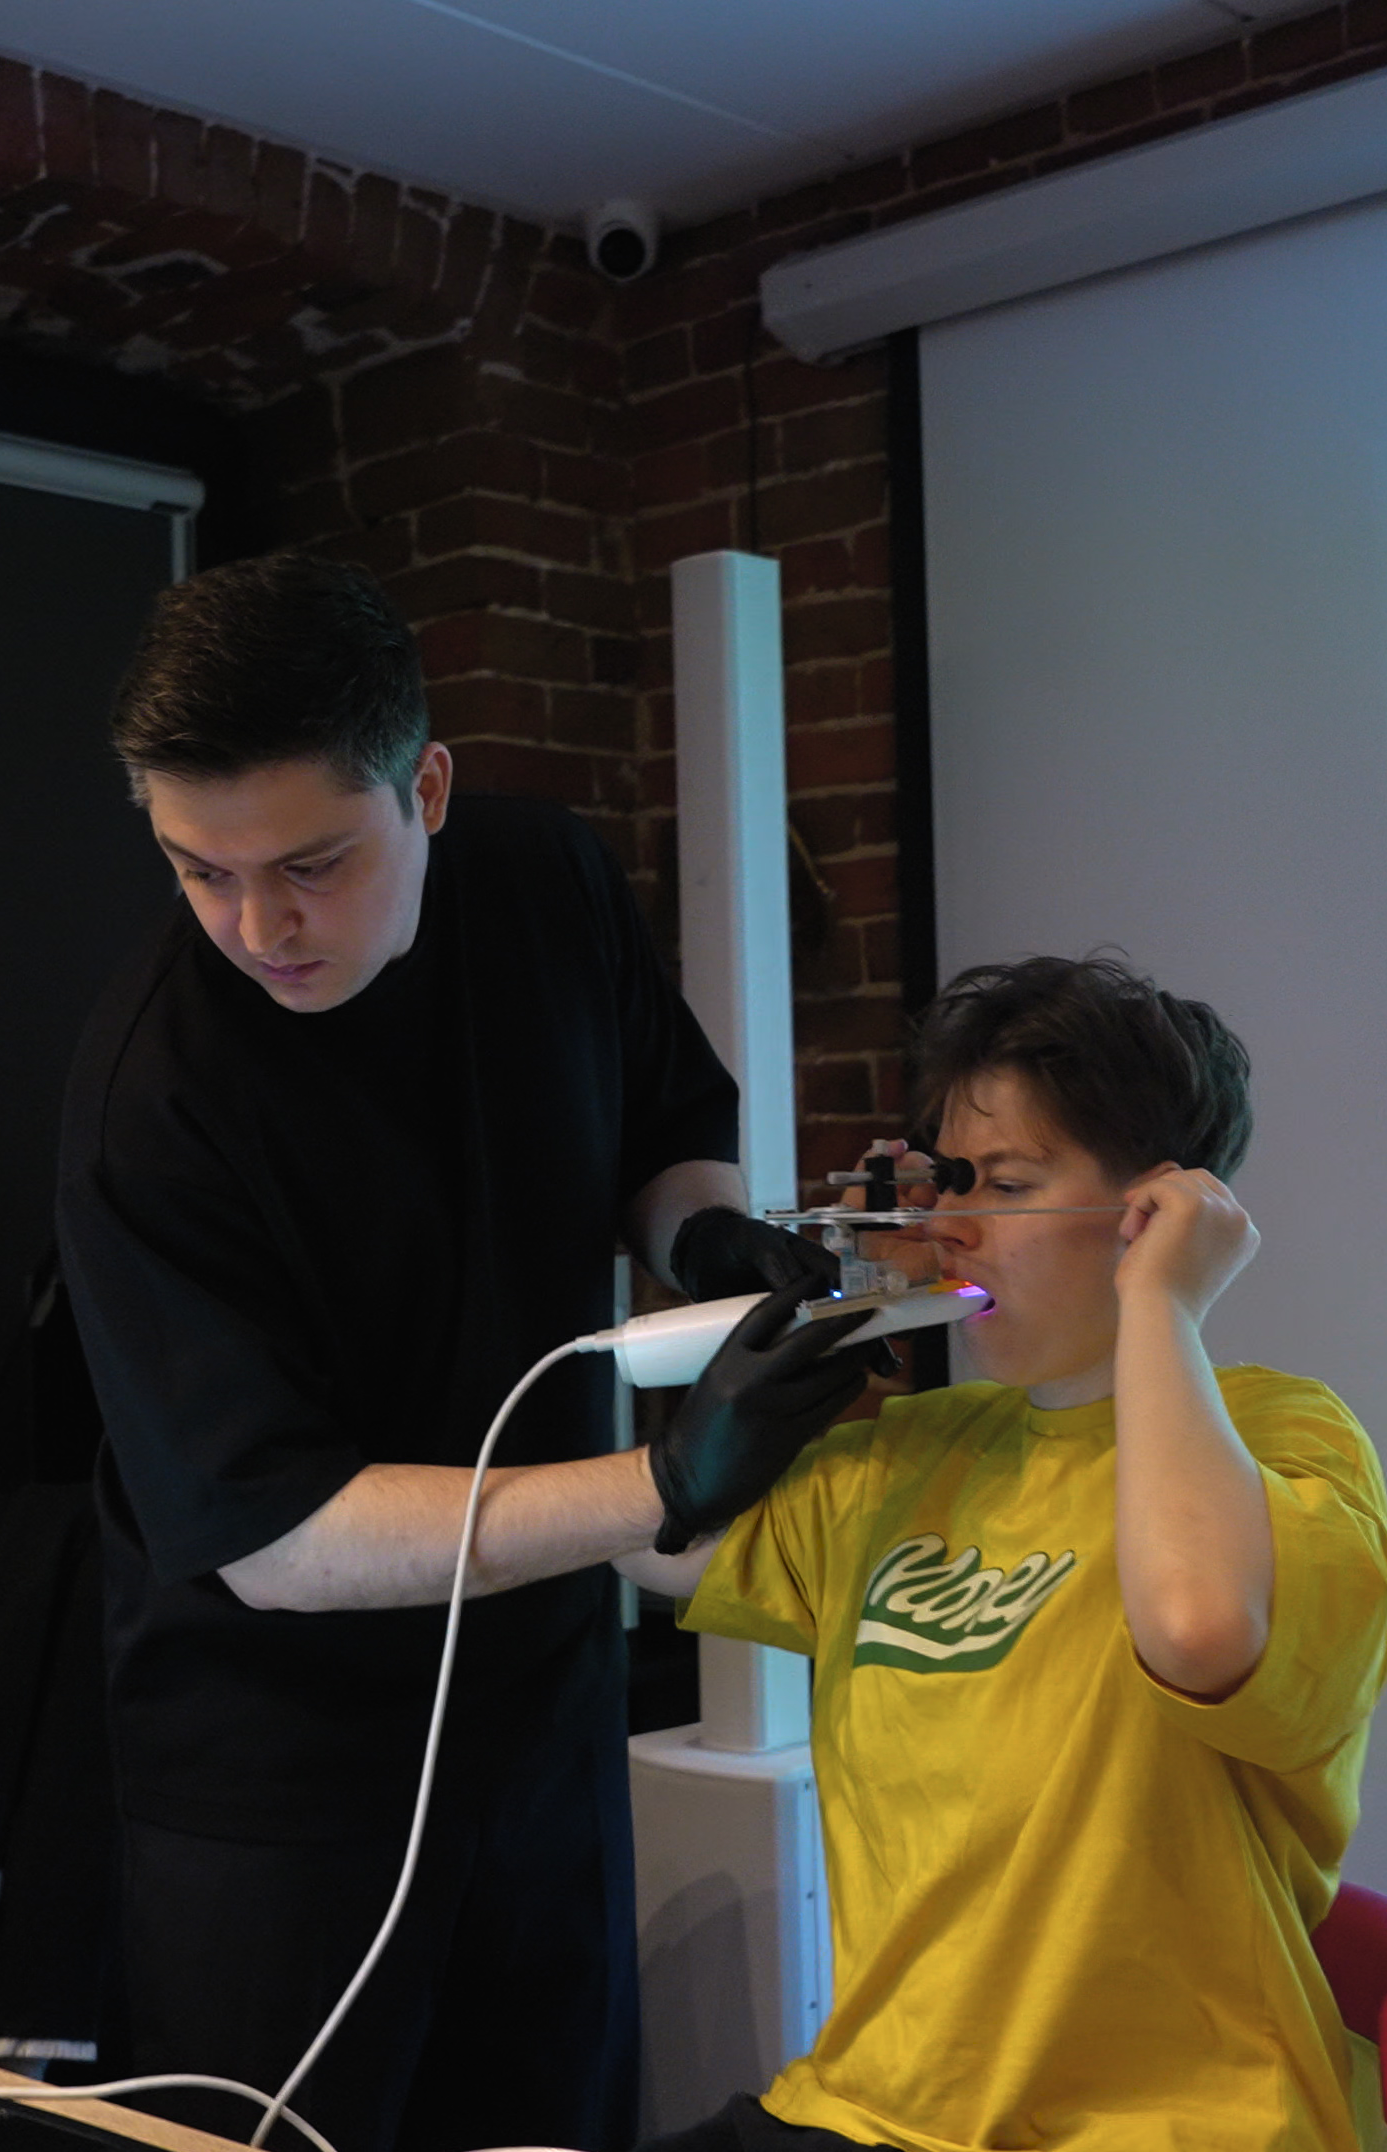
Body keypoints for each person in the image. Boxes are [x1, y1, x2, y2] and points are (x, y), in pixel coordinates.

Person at [52, 556, 871, 2152]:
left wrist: (708, 1237)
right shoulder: (149, 1101)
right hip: (278, 1783)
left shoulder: (546, 883)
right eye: (199, 871)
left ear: (425, 788)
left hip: (545, 1708)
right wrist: (662, 1484)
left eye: (312, 864)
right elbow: (281, 1539)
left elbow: (663, 1126)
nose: (259, 927)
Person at [640, 956, 1387, 2152]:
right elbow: (653, 1541)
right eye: (950, 1182)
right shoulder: (915, 1451)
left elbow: (1197, 1626)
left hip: (1166, 2129)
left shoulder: (1286, 1436)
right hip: (867, 2114)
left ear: (1159, 1208)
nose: (955, 1227)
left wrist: (1164, 1304)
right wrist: (815, 1327)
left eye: (1005, 1185)